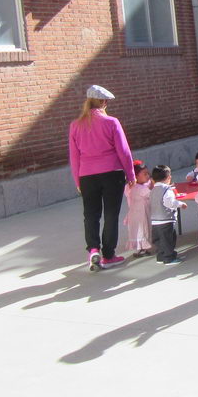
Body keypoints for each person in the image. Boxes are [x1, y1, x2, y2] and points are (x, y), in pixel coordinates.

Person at [68, 84, 136, 272]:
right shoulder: (112, 122)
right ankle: (108, 255)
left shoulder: (75, 126)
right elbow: (123, 151)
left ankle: (93, 249)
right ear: (104, 102)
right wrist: (130, 174)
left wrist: (78, 181)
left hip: (87, 175)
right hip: (112, 173)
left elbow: (74, 157)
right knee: (111, 214)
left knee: (90, 215)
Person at [149, 165, 186, 265]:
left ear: (153, 179)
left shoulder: (152, 191)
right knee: (168, 239)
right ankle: (169, 258)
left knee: (159, 240)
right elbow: (170, 203)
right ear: (169, 177)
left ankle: (160, 256)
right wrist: (180, 204)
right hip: (166, 219)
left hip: (155, 220)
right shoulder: (167, 190)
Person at [123, 161, 153, 257]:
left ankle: (140, 248)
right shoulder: (140, 188)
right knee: (143, 231)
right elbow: (150, 194)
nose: (148, 176)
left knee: (136, 231)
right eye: (145, 174)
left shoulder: (129, 187)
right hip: (141, 214)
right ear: (135, 176)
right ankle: (142, 249)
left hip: (133, 214)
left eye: (148, 173)